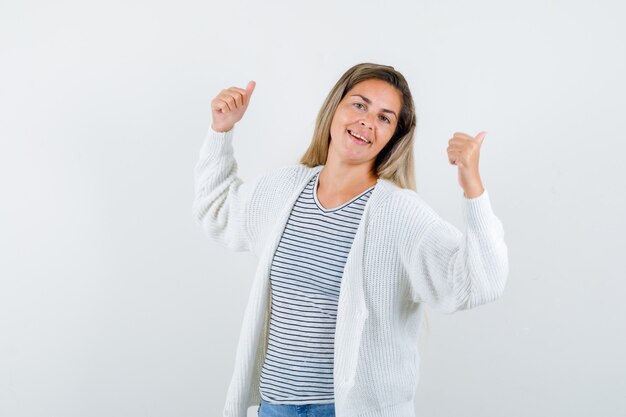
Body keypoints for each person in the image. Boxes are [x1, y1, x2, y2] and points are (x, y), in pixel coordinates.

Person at [193, 63, 509, 417]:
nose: (367, 122)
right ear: (335, 108)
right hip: (275, 407)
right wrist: (221, 130)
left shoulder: (399, 214)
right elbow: (217, 209)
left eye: (385, 118)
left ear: (393, 137)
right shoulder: (283, 191)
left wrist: (473, 186)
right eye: (359, 105)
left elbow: (479, 283)